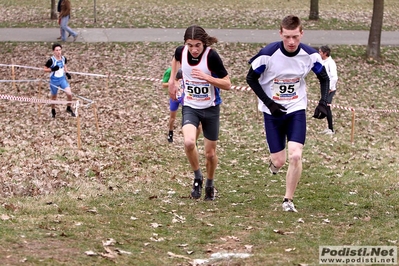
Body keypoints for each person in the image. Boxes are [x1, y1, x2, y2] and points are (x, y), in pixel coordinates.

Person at [246, 15, 330, 212]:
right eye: (287, 37)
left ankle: (287, 200)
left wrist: (323, 103)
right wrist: (269, 103)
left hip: (296, 109)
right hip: (272, 112)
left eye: (295, 37)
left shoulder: (310, 55)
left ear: (301, 34)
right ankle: (274, 164)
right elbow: (250, 78)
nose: (291, 42)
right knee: (279, 160)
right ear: (280, 34)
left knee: (295, 156)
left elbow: (324, 78)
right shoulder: (267, 54)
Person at [168, 25, 231, 201]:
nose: (194, 49)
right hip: (191, 106)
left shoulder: (211, 56)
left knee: (210, 154)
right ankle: (198, 177)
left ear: (203, 43)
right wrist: (173, 80)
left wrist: (207, 78)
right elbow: (175, 59)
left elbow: (227, 84)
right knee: (189, 142)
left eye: (197, 45)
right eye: (190, 45)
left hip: (210, 108)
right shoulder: (181, 52)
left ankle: (210, 183)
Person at [162, 67, 202, 143]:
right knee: (172, 118)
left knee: (193, 121)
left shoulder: (187, 70)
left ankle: (194, 141)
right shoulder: (170, 71)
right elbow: (163, 85)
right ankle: (170, 132)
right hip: (175, 97)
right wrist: (173, 83)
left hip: (186, 98)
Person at [44, 43, 76, 118]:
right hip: (54, 80)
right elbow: (44, 69)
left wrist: (67, 72)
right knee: (54, 97)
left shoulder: (63, 58)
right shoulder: (51, 60)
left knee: (69, 94)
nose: (58, 52)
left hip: (62, 79)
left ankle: (68, 107)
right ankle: (53, 110)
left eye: (59, 50)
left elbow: (64, 65)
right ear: (53, 51)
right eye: (56, 50)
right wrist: (51, 69)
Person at [319, 45, 338, 135]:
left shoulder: (331, 63)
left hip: (330, 89)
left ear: (325, 53)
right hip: (325, 88)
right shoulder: (323, 62)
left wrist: (330, 87)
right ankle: (329, 128)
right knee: (326, 107)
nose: (319, 54)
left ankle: (331, 129)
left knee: (327, 107)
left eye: (320, 52)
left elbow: (334, 77)